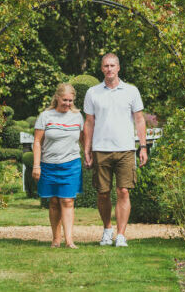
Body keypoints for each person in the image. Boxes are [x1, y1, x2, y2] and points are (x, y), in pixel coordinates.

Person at [83, 53, 147, 248]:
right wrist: (87, 149)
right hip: (101, 149)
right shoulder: (93, 93)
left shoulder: (131, 91)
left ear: (118, 68)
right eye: (105, 66)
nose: (109, 69)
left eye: (112, 65)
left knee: (123, 191)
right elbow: (89, 122)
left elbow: (139, 119)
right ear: (102, 69)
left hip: (126, 149)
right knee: (103, 193)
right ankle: (107, 229)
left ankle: (121, 235)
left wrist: (142, 146)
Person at [32, 83, 85, 248]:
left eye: (70, 100)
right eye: (64, 100)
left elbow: (83, 140)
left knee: (68, 200)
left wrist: (88, 156)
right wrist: (36, 165)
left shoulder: (77, 117)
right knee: (54, 201)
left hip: (71, 164)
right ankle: (56, 239)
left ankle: (69, 240)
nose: (67, 103)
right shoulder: (46, 116)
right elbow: (37, 142)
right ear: (57, 97)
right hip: (49, 165)